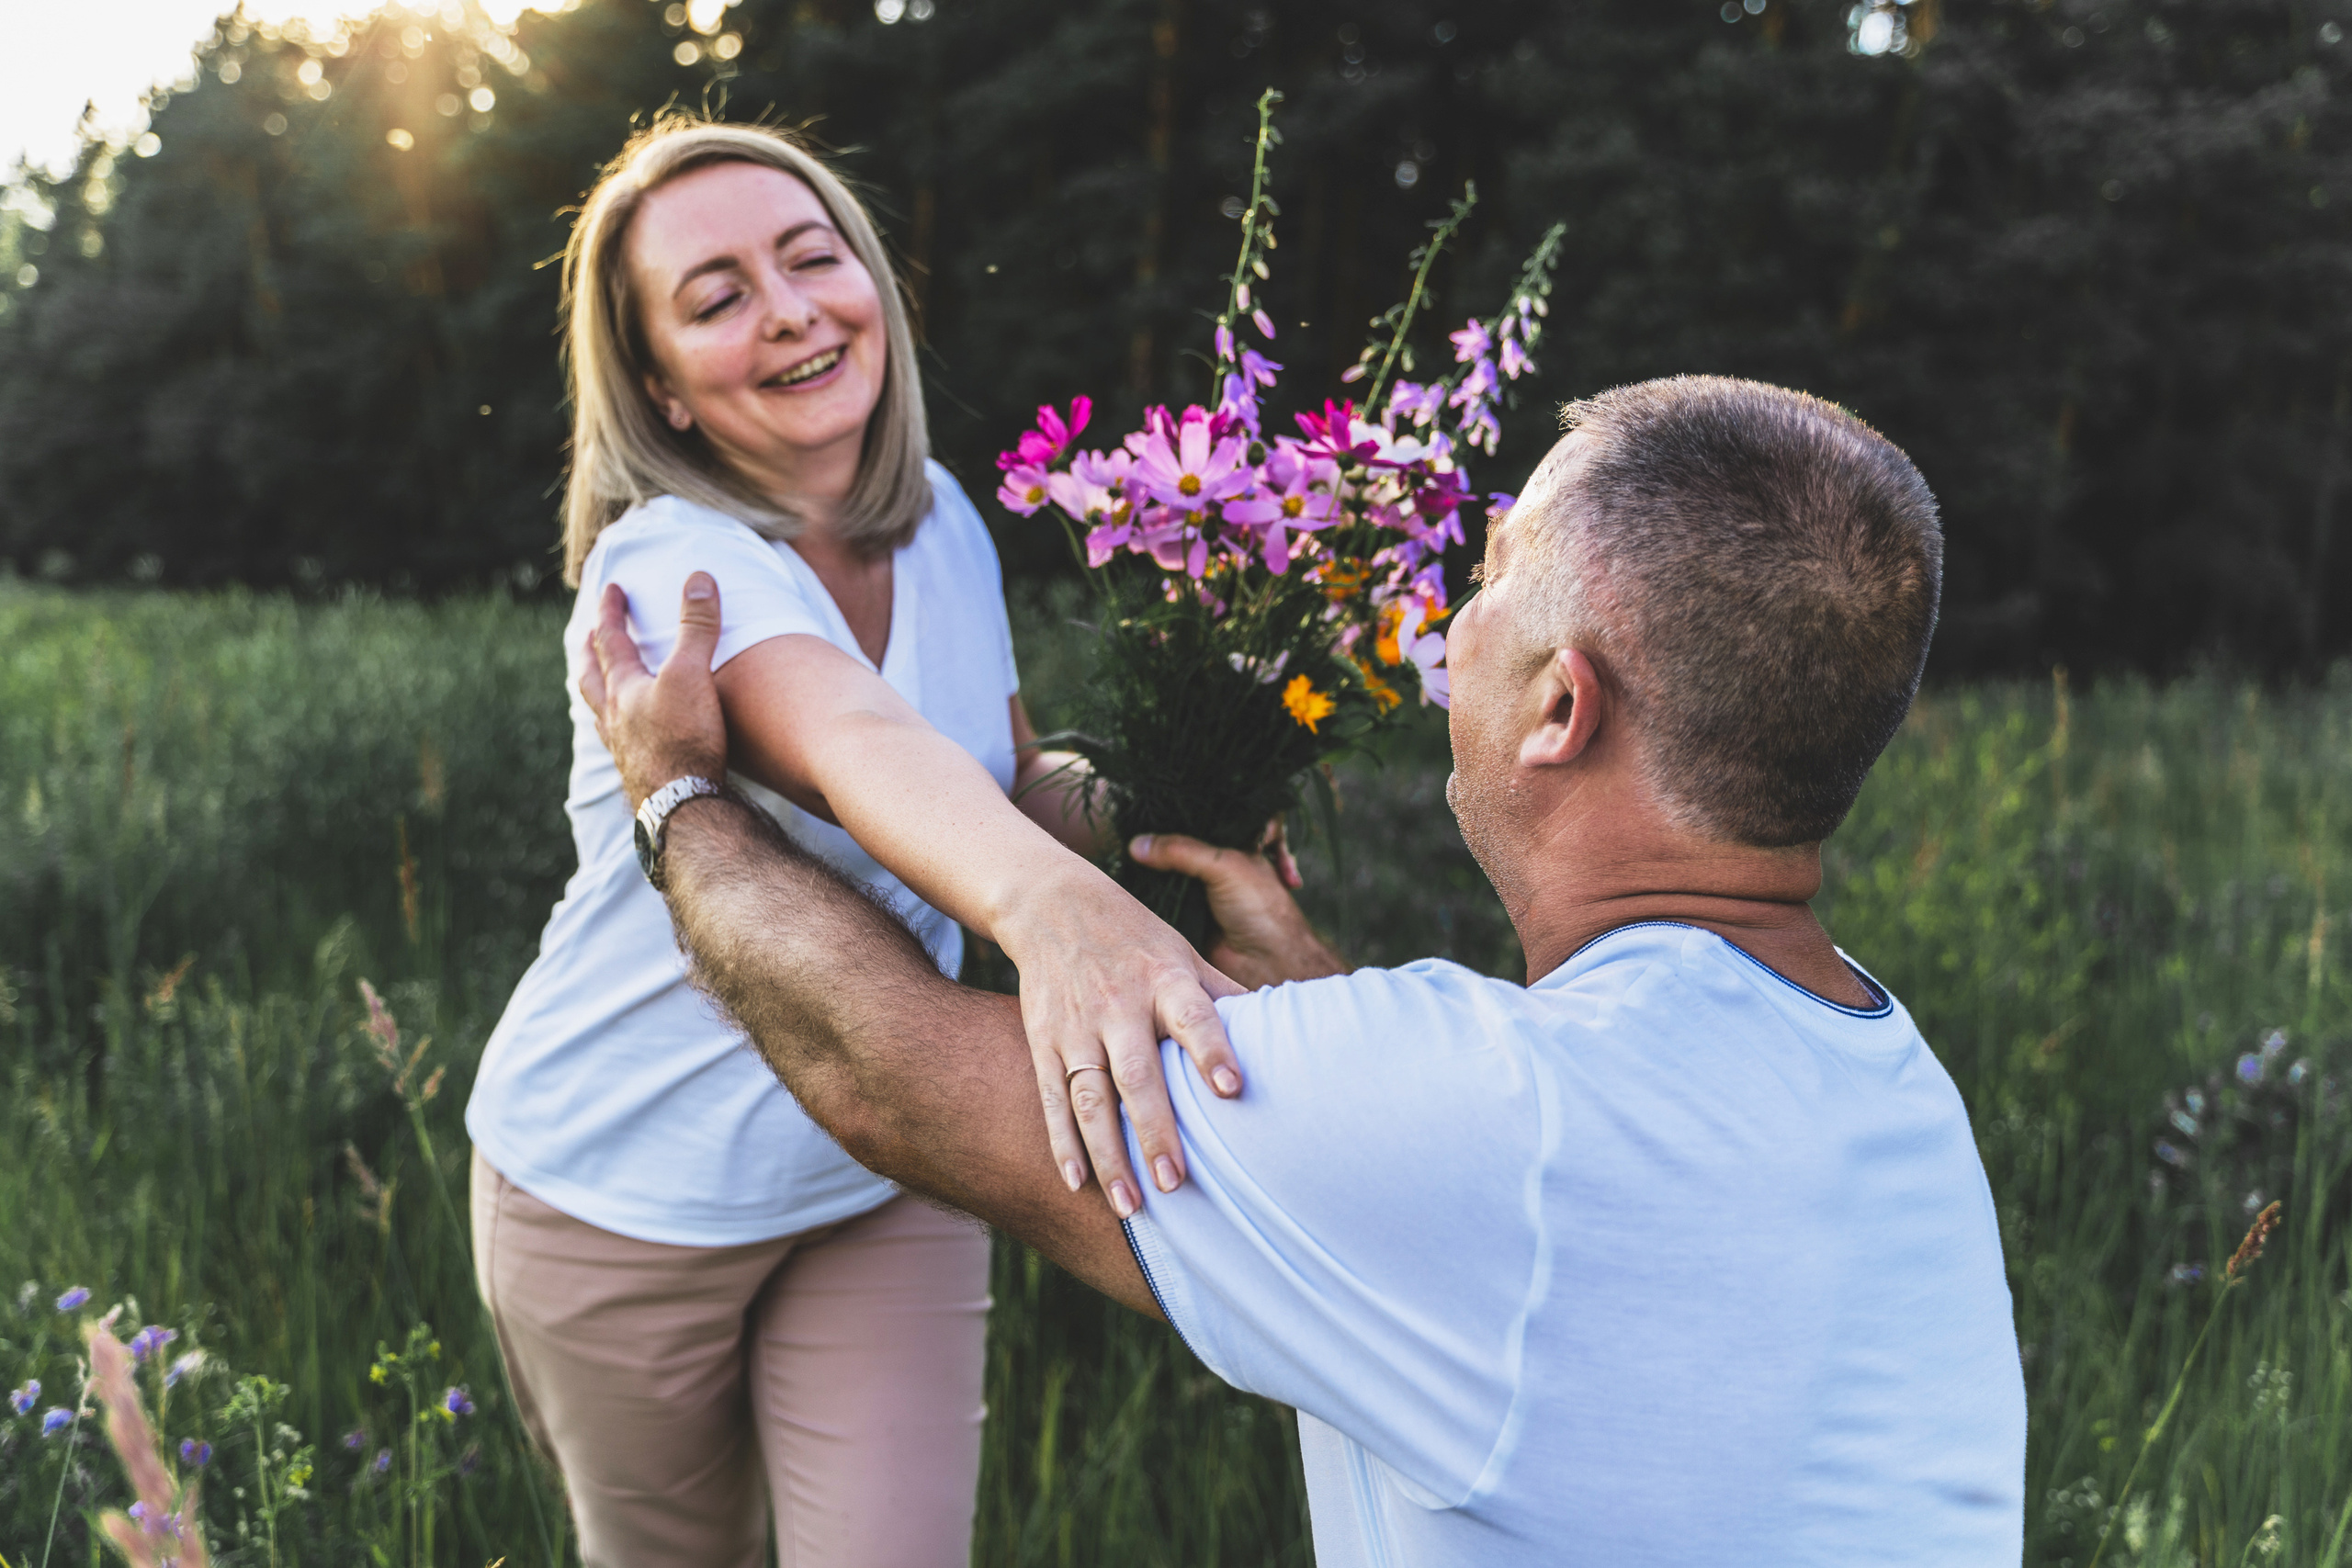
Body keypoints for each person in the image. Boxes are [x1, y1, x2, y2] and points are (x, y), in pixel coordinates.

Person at [582, 375, 2030, 1565]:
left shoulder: (1484, 1121)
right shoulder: (1899, 1090)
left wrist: (680, 800)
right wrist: (1318, 1007)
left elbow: (878, 1070)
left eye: (1487, 585)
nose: (1448, 629)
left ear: (1558, 706)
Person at [463, 118, 1241, 1568]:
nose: (791, 309)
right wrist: (1059, 918)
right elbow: (857, 747)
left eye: (812, 258)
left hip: (885, 1161)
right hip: (622, 1195)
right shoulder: (668, 570)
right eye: (718, 298)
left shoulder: (942, 517)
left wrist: (1181, 792)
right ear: (662, 391)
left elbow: (1007, 774)